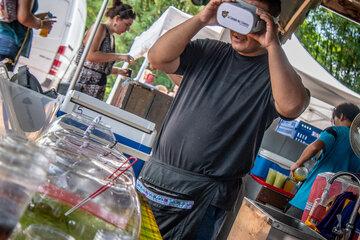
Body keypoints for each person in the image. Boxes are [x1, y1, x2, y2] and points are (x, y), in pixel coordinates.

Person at [136, 0, 310, 239]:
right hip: (155, 178)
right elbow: (157, 58)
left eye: (251, 19)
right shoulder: (209, 50)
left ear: (267, 24)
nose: (239, 27)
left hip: (203, 196)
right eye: (237, 14)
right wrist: (202, 19)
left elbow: (292, 106)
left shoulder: (274, 72)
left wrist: (272, 45)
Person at [287, 102, 360, 220]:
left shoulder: (335, 131)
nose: (333, 122)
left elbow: (315, 146)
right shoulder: (358, 145)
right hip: (332, 212)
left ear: (341, 116)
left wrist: (297, 164)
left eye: (333, 119)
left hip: (307, 201)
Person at [75, 0, 135, 100]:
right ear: (117, 19)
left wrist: (118, 71)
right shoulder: (100, 28)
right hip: (83, 84)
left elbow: (98, 68)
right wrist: (119, 56)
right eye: (127, 25)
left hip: (96, 87)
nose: (127, 29)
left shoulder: (111, 36)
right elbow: (90, 56)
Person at [0, 0, 54, 69]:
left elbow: (18, 14)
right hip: (6, 44)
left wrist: (36, 18)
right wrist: (43, 24)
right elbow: (24, 18)